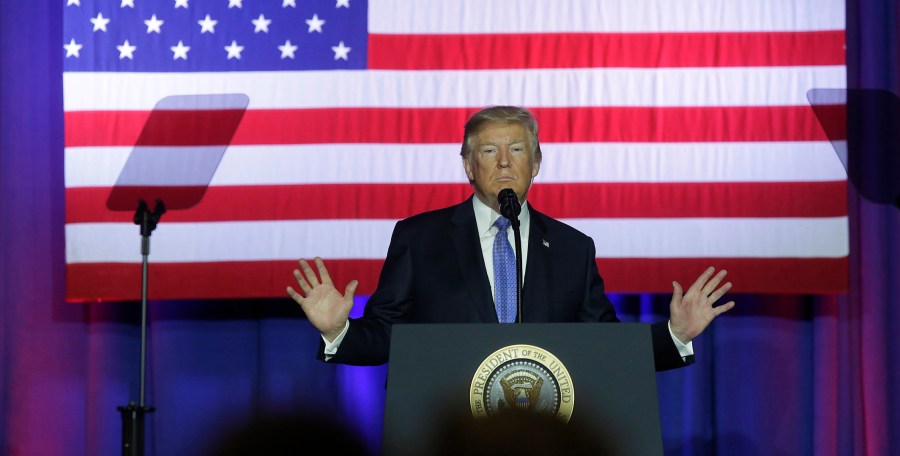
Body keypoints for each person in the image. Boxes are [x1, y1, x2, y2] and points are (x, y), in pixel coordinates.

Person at [287, 105, 734, 371]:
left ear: (536, 162)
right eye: (488, 150)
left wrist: (674, 334)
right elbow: (385, 336)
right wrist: (338, 331)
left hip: (545, 434)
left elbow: (604, 346)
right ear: (467, 165)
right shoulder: (419, 239)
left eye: (517, 149)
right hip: (444, 429)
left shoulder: (572, 248)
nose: (504, 162)